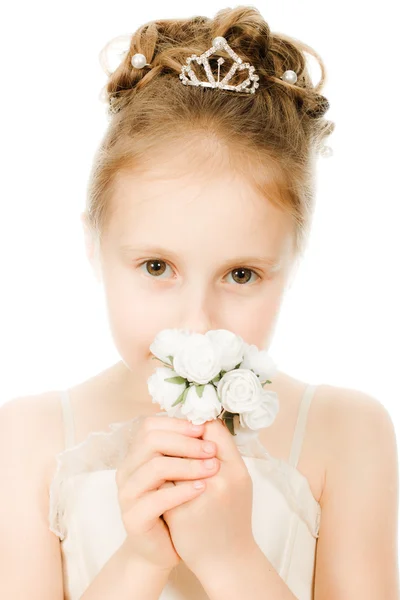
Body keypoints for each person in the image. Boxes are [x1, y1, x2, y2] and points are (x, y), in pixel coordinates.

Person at [1, 5, 398, 600]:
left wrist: (230, 556)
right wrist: (138, 558)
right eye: (157, 267)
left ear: (292, 264)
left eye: (241, 274)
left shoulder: (347, 434)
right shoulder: (24, 442)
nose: (197, 325)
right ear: (94, 244)